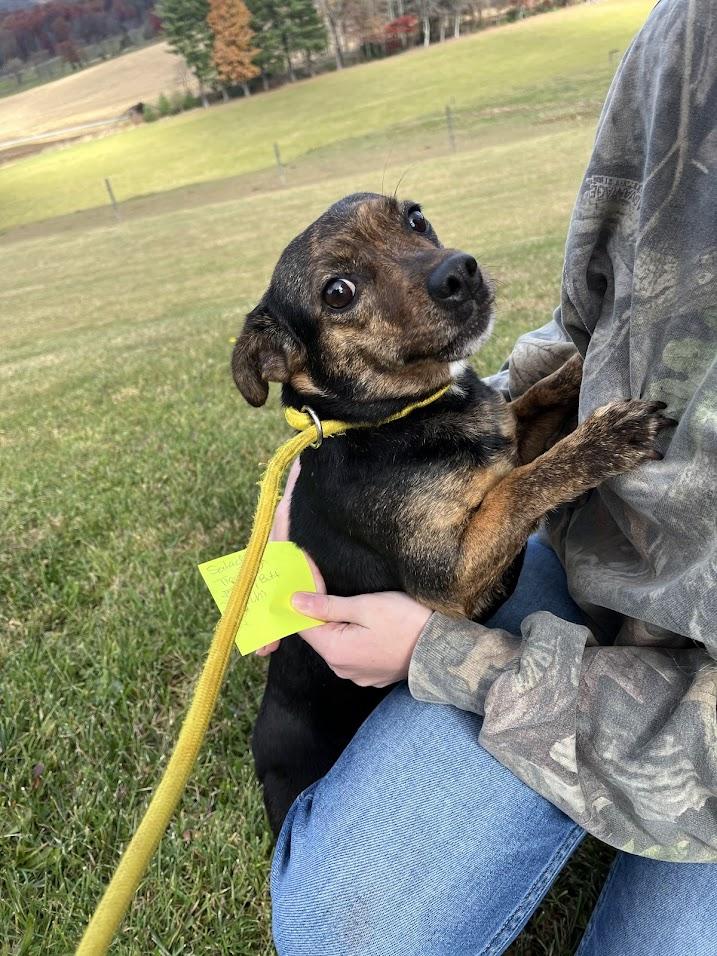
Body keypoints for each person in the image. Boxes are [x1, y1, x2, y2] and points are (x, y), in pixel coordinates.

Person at [262, 1, 717, 952]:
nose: (438, 267)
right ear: (285, 364)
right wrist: (293, 521)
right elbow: (590, 329)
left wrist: (440, 656)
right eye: (346, 294)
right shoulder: (685, 38)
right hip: (585, 589)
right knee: (335, 931)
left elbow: (461, 578)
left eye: (414, 227)